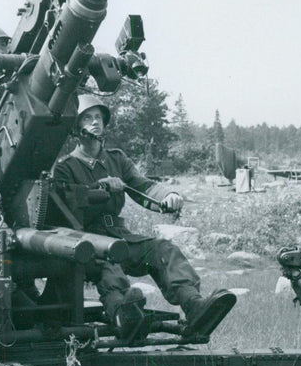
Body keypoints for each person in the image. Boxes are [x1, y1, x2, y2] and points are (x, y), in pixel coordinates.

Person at [52, 94, 236, 339]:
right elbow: (67, 204)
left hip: (119, 236)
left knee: (163, 249)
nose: (95, 122)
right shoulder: (65, 167)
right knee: (110, 266)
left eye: (98, 117)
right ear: (76, 126)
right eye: (87, 118)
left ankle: (194, 305)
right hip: (87, 242)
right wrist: (100, 187)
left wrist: (167, 195)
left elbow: (143, 185)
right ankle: (123, 313)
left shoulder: (116, 159)